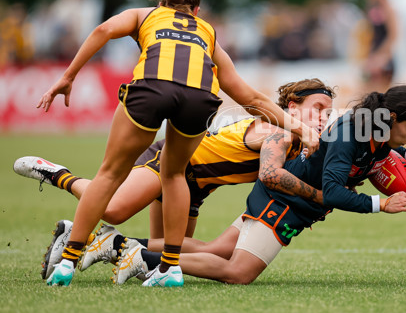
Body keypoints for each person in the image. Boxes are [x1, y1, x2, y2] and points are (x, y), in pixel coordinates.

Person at [38, 0, 320, 287]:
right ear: (196, 11)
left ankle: (67, 261)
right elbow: (251, 98)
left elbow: (103, 30)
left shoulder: (144, 14)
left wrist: (68, 76)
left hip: (152, 90)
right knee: (171, 175)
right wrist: (302, 130)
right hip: (199, 99)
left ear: (160, 3)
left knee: (109, 174)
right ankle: (170, 268)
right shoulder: (208, 32)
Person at [15, 79, 336, 279]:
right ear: (292, 106)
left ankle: (83, 236)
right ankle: (55, 172)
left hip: (196, 187)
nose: (323, 115)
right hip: (171, 162)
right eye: (318, 107)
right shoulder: (278, 131)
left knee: (164, 259)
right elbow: (269, 173)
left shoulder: (300, 143)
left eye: (328, 111)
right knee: (113, 210)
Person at [110, 85, 406, 286]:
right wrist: (381, 204)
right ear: (392, 117)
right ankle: (143, 259)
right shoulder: (349, 133)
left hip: (294, 205)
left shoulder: (375, 129)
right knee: (238, 273)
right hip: (285, 201)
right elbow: (332, 193)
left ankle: (117, 245)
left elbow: (385, 149)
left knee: (217, 251)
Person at [360, 0, 399, 93]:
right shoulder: (370, 6)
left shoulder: (387, 7)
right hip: (373, 56)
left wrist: (381, 56)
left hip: (384, 57)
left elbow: (394, 35)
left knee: (379, 96)